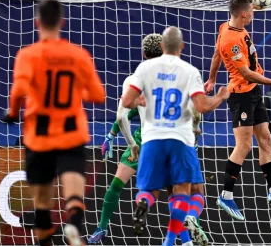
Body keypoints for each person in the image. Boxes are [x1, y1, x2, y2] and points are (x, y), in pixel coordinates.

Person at [88, 33, 208, 246]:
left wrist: (115, 137)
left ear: (143, 53)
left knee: (116, 185)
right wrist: (194, 133)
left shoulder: (136, 78)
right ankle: (186, 239)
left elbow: (124, 114)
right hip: (172, 139)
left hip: (143, 140)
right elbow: (195, 110)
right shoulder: (179, 73)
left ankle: (101, 229)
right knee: (178, 193)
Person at [3, 0, 106, 246]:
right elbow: (98, 96)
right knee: (73, 193)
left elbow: (18, 92)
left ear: (37, 22)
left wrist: (12, 113)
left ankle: (46, 238)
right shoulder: (77, 55)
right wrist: (74, 92)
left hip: (39, 132)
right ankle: (73, 221)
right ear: (62, 22)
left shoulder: (27, 55)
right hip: (70, 129)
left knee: (41, 203)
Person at [121, 26, 229, 246]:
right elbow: (201, 106)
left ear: (162, 46)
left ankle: (143, 203)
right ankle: (170, 241)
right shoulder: (190, 71)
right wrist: (220, 97)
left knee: (149, 190)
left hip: (152, 139)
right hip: (180, 138)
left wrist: (140, 101)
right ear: (182, 46)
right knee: (187, 192)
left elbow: (126, 102)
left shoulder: (144, 69)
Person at [203, 0, 271, 221]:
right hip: (241, 95)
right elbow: (245, 73)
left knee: (265, 138)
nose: (254, 14)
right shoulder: (231, 40)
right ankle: (225, 195)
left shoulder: (228, 26)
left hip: (253, 92)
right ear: (244, 13)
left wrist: (212, 79)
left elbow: (216, 55)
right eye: (252, 11)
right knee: (244, 144)